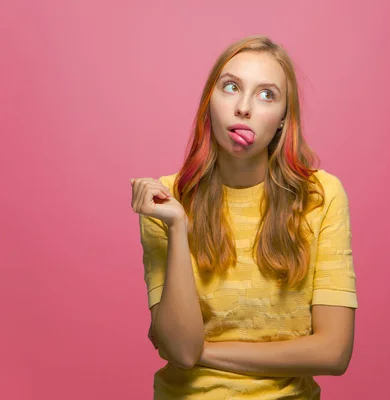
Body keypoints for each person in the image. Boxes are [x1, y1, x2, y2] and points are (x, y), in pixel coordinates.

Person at [130, 35, 358, 399]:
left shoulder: (321, 196)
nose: (244, 108)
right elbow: (181, 345)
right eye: (231, 87)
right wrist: (177, 226)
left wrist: (204, 353)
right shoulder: (166, 200)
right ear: (210, 102)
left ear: (284, 119)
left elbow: (333, 352)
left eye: (267, 94)